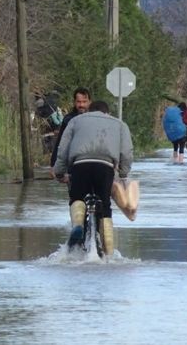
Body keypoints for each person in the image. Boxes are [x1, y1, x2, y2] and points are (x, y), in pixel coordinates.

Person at [52, 100, 133, 256]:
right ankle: (109, 253)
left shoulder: (76, 121)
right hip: (105, 167)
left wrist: (60, 172)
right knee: (105, 205)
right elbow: (127, 152)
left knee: (77, 197)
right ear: (107, 113)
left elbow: (63, 148)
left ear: (89, 111)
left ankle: (78, 225)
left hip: (80, 164)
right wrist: (123, 173)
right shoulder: (120, 124)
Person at [49, 87, 91, 177]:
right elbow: (60, 142)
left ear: (89, 102)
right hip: (73, 164)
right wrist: (53, 164)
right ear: (74, 102)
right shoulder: (68, 119)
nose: (81, 105)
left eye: (84, 102)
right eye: (79, 102)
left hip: (92, 162)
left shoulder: (96, 119)